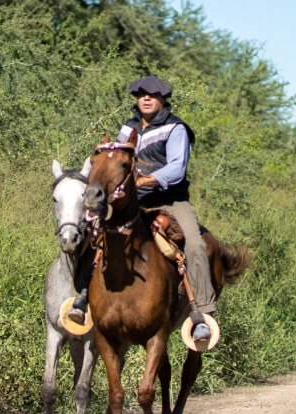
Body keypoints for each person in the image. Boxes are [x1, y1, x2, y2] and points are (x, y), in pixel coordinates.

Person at [68, 75, 214, 341]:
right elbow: (117, 159)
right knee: (89, 232)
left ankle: (202, 313)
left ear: (163, 99)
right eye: (142, 94)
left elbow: (177, 168)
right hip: (132, 200)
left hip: (170, 200)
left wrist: (147, 178)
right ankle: (81, 297)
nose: (146, 98)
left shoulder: (176, 128)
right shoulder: (128, 128)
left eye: (153, 94)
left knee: (195, 244)